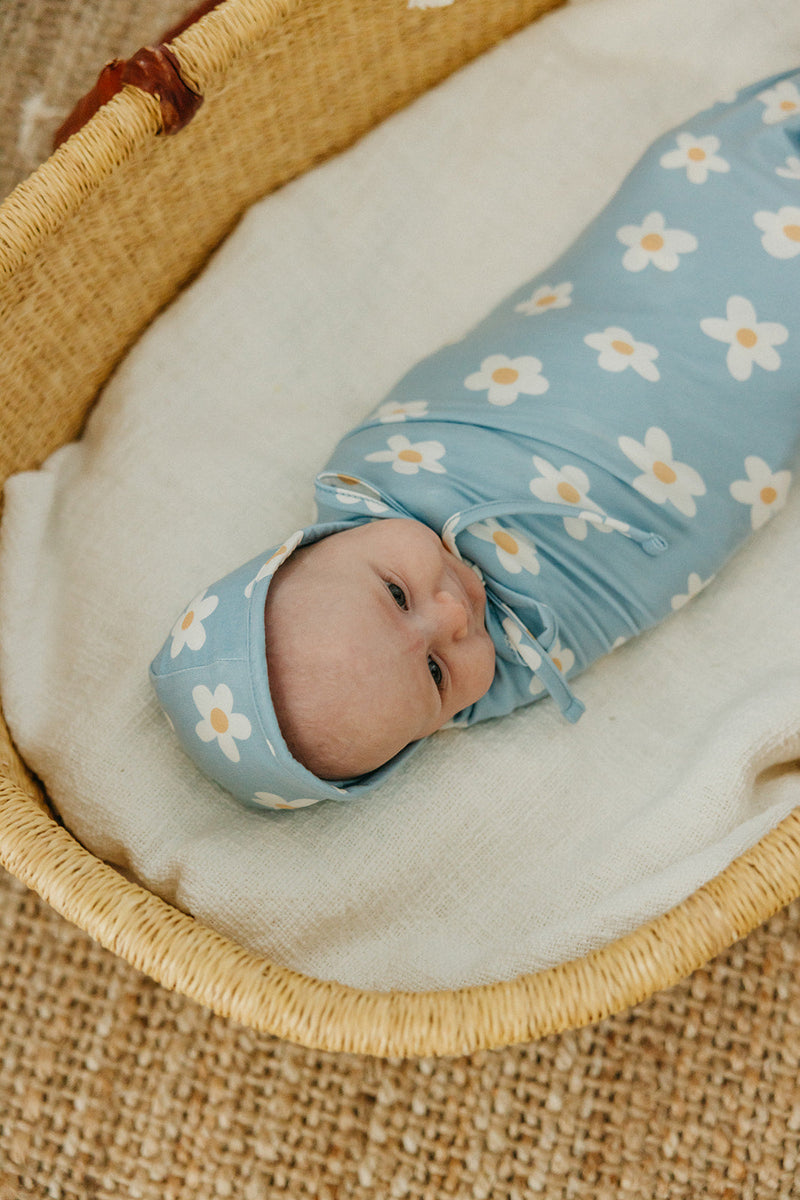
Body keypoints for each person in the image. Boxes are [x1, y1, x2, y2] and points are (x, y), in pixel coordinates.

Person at [150, 66, 800, 809]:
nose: (454, 615)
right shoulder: (521, 667)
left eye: (396, 594)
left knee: (701, 179)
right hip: (745, 407)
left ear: (313, 546)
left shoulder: (386, 468)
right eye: (434, 674)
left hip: (640, 299)